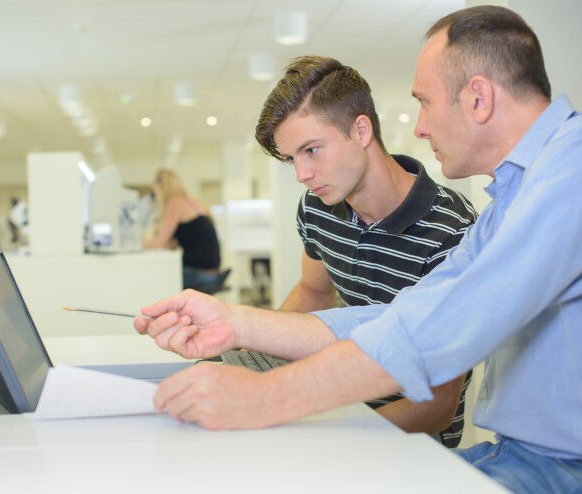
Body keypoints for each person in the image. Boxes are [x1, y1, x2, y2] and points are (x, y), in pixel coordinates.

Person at [134, 6, 582, 492]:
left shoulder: (568, 177)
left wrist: (265, 398)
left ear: (478, 97)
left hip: (557, 466)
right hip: (517, 452)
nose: (420, 127)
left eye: (425, 103)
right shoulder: (513, 197)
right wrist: (236, 322)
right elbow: (405, 314)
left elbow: (434, 334)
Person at [255, 55, 477, 447]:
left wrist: (325, 434)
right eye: (293, 159)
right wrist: (260, 359)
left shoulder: (451, 230)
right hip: (344, 407)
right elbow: (313, 292)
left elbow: (435, 406)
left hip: (413, 448)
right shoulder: (317, 208)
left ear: (361, 130)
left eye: (311, 150)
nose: (302, 175)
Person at [143, 169, 222, 292]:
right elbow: (175, 242)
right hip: (212, 271)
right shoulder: (192, 201)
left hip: (200, 274)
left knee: (153, 278)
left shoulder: (175, 202)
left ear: (160, 187)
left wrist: (137, 245)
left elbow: (159, 243)